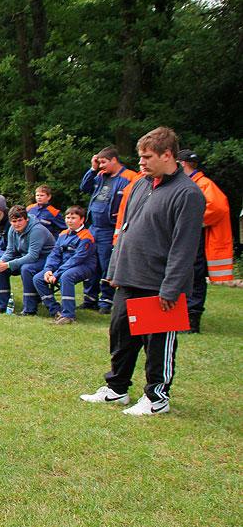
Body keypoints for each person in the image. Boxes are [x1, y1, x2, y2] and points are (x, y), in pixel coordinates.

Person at [81, 127, 205, 416]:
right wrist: (114, 269)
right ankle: (117, 389)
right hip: (129, 276)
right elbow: (125, 229)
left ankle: (156, 398)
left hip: (158, 283)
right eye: (140, 157)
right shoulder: (141, 184)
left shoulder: (187, 194)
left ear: (168, 155)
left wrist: (171, 289)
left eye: (147, 157)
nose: (141, 162)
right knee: (120, 334)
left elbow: (184, 247)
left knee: (156, 342)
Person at [177, 149, 234, 333]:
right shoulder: (193, 183)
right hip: (189, 238)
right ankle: (184, 316)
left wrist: (191, 222)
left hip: (197, 239)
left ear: (182, 164)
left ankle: (192, 320)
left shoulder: (203, 184)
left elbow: (218, 208)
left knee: (194, 276)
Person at [79, 146, 137, 314]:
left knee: (106, 264)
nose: (101, 165)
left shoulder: (129, 177)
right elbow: (85, 187)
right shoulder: (100, 175)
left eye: (104, 162)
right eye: (99, 162)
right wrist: (93, 168)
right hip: (94, 227)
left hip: (109, 228)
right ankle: (89, 299)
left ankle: (106, 301)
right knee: (91, 263)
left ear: (114, 160)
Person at [30, 205, 97, 324]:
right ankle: (56, 311)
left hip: (83, 266)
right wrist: (48, 270)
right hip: (63, 266)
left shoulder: (86, 237)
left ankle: (68, 315)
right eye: (67, 217)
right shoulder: (63, 234)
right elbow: (54, 254)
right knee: (38, 279)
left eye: (73, 218)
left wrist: (57, 273)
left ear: (82, 220)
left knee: (66, 276)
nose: (69, 221)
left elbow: (77, 259)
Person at [0, 205, 55, 315]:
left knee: (26, 268)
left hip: (46, 259)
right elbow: (10, 251)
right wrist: (1, 262)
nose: (17, 224)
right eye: (14, 221)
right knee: (0, 269)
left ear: (26, 219)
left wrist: (8, 264)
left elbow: (33, 256)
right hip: (27, 256)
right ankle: (0, 306)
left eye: (20, 220)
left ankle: (30, 309)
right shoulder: (12, 230)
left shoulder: (37, 230)